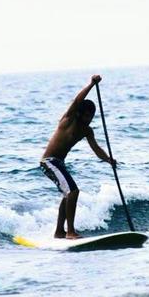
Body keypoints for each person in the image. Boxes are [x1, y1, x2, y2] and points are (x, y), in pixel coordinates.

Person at [40, 75, 115, 239]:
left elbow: (96, 149)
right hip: (49, 162)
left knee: (68, 194)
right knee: (73, 192)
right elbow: (77, 100)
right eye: (87, 115)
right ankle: (70, 232)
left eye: (92, 116)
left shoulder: (87, 130)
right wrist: (91, 85)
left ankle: (59, 231)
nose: (89, 119)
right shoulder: (69, 119)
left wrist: (109, 160)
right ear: (80, 114)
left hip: (59, 163)